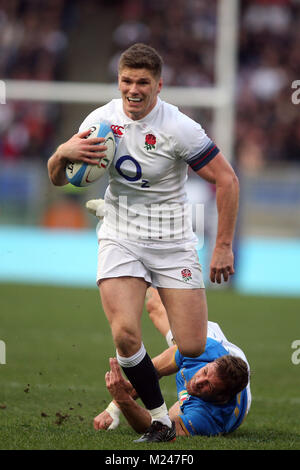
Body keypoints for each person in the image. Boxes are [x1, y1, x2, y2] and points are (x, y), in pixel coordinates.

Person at [47, 43, 239, 442]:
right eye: (126, 81)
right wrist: (62, 153)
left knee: (192, 344)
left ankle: (147, 397)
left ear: (158, 85)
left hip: (172, 239)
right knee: (125, 334)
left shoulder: (180, 128)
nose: (133, 90)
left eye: (143, 83)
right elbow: (59, 179)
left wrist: (222, 245)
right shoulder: (101, 119)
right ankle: (159, 421)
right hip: (121, 233)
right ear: (119, 82)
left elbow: (227, 179)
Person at [94, 287, 251, 438]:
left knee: (171, 416)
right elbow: (150, 372)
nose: (198, 381)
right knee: (155, 306)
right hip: (217, 345)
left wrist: (123, 398)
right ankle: (148, 278)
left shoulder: (207, 417)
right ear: (209, 363)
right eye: (204, 372)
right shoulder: (201, 350)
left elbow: (159, 428)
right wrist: (113, 408)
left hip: (221, 404)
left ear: (221, 398)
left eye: (208, 385)